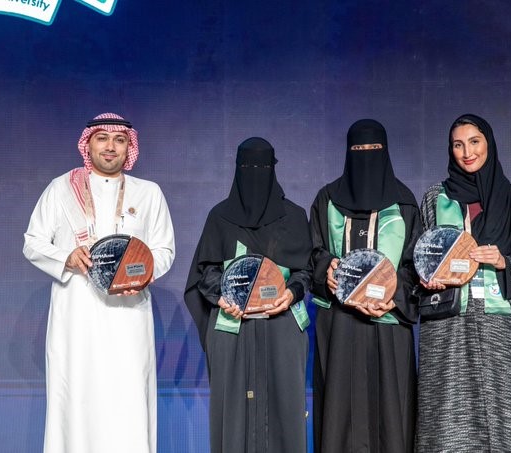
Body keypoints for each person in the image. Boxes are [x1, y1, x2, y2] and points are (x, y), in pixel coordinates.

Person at [23, 113, 175, 453]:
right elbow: (33, 242)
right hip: (77, 312)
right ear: (88, 144)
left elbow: (164, 250)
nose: (110, 147)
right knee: (77, 395)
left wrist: (142, 274)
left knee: (129, 395)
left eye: (119, 140)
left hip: (129, 312)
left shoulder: (149, 193)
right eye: (102, 138)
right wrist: (66, 256)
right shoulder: (62, 188)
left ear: (129, 147)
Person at [415, 114, 511, 452]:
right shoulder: (435, 198)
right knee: (445, 418)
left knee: (501, 415)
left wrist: (502, 261)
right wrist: (426, 278)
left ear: (489, 144)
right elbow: (417, 259)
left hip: (496, 327)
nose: (467, 152)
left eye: (474, 142)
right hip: (445, 326)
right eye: (458, 145)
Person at [184, 137, 312, 453]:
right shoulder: (219, 217)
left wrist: (291, 294)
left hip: (281, 325)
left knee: (284, 409)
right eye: (248, 166)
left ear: (273, 169)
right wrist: (222, 297)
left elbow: (305, 271)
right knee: (234, 412)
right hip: (233, 326)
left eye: (262, 166)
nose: (255, 173)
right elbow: (205, 271)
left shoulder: (294, 216)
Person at [309, 119, 421, 453]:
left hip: (388, 323)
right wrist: (326, 269)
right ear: (348, 152)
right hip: (340, 325)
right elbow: (312, 253)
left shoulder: (404, 203)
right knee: (339, 412)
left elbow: (416, 266)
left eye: (373, 149)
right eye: (358, 149)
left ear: (385, 152)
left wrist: (394, 295)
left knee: (390, 413)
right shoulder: (327, 199)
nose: (366, 155)